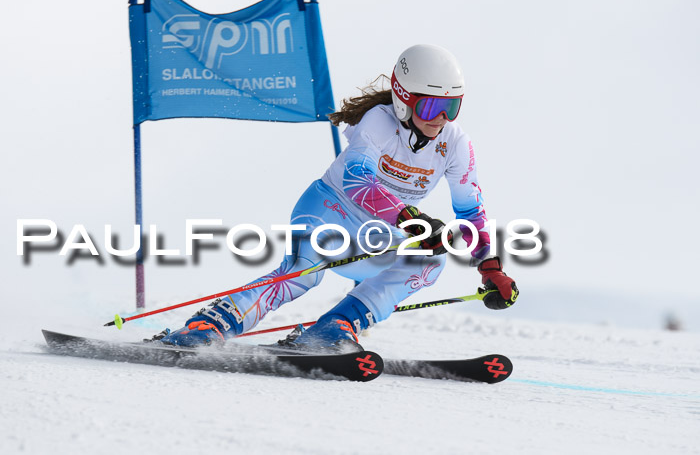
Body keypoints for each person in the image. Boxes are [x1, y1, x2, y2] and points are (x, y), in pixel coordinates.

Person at [157, 44, 518, 350]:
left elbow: (470, 209)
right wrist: (411, 218)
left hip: (379, 233)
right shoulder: (378, 121)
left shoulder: (455, 144)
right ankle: (210, 324)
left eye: (451, 107)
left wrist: (490, 268)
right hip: (329, 210)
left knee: (429, 261)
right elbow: (357, 179)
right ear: (404, 99)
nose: (440, 118)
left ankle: (335, 328)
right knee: (303, 273)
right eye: (430, 107)